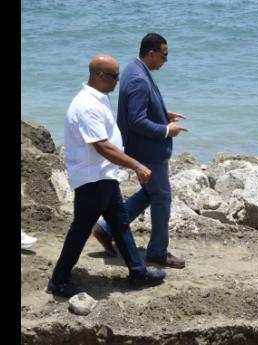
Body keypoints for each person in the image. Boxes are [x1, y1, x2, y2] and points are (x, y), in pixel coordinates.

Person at [47, 54, 166, 299]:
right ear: (100, 76)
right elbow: (102, 146)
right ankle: (59, 281)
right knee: (80, 229)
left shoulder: (99, 99)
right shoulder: (87, 105)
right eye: (115, 76)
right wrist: (137, 166)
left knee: (120, 223)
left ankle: (137, 272)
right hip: (92, 178)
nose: (118, 80)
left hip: (104, 175)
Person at [92, 33, 188, 269]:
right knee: (162, 197)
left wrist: (163, 115)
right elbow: (136, 120)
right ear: (151, 53)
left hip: (143, 148)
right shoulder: (138, 78)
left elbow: (140, 111)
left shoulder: (136, 70)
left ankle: (106, 228)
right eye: (164, 55)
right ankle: (157, 252)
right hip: (147, 151)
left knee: (149, 193)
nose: (166, 61)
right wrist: (166, 130)